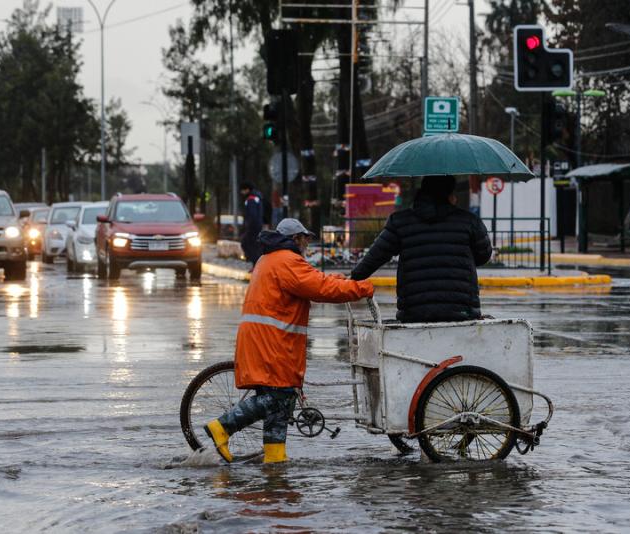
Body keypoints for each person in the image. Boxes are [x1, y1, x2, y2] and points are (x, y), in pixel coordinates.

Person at [205, 218, 375, 464]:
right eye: (305, 238)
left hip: (266, 339)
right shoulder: (287, 260)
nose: (307, 243)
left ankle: (275, 458)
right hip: (272, 342)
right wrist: (362, 288)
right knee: (280, 397)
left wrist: (341, 279)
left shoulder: (271, 259)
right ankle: (223, 426)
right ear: (295, 239)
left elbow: (314, 280)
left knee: (280, 404)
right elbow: (321, 289)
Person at [350, 176, 492, 323]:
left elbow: (376, 256)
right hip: (463, 311)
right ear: (450, 194)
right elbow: (483, 255)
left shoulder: (400, 222)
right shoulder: (469, 221)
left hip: (414, 313)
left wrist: (353, 278)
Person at [239, 182, 263, 267]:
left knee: (246, 243)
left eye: (242, 190)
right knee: (254, 245)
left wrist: (247, 227)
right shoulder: (257, 197)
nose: (241, 193)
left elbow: (252, 215)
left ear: (247, 190)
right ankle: (255, 264)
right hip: (257, 226)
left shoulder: (251, 199)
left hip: (252, 227)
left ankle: (255, 264)